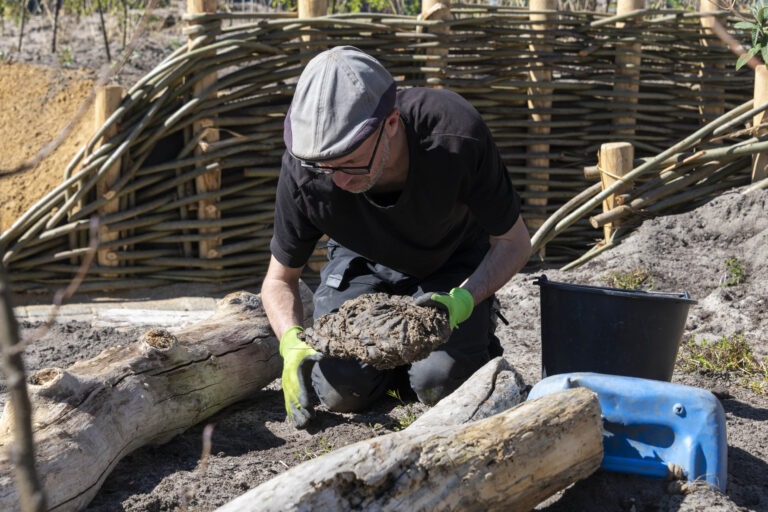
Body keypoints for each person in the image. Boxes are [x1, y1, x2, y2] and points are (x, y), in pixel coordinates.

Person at [261, 45, 532, 428]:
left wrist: (464, 302)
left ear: (390, 123)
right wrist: (289, 343)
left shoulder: (454, 135)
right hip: (362, 263)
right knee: (342, 392)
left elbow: (514, 242)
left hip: (452, 265)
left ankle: (439, 357)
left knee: (440, 382)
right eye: (325, 165)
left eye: (349, 160)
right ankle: (387, 369)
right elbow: (279, 279)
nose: (336, 178)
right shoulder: (307, 166)